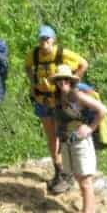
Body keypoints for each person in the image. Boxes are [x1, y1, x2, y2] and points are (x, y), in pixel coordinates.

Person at [25, 25, 88, 195]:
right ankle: (59, 170)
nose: (43, 42)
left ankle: (69, 174)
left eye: (47, 39)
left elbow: (83, 64)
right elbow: (27, 67)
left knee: (65, 135)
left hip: (59, 102)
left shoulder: (62, 53)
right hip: (42, 100)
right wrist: (33, 83)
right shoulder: (34, 54)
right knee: (51, 137)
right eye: (41, 39)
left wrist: (72, 84)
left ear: (53, 40)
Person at [51, 63, 107, 213]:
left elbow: (102, 110)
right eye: (59, 80)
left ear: (70, 80)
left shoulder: (76, 95)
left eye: (65, 79)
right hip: (68, 142)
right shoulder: (58, 98)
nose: (62, 83)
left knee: (85, 182)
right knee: (78, 178)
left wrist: (90, 128)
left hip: (81, 142)